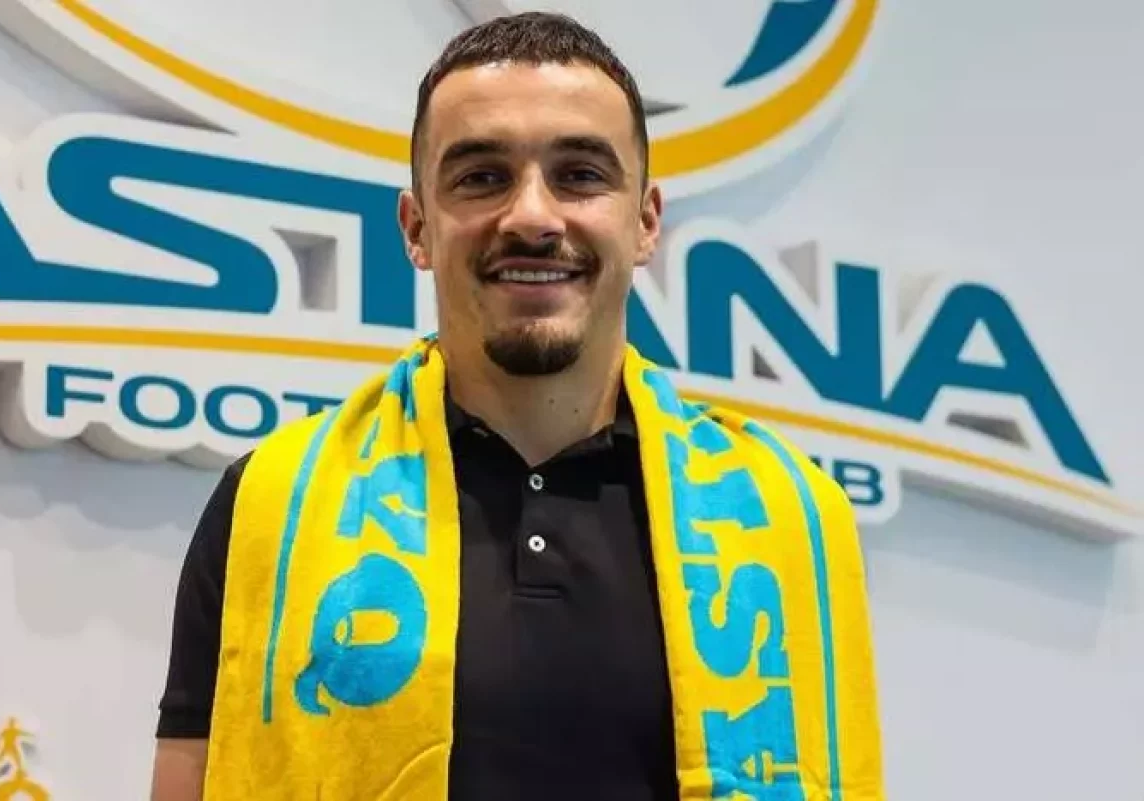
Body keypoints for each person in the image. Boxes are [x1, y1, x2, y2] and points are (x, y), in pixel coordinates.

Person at [150, 11, 884, 801]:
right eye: (482, 177)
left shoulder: (786, 516)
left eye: (580, 174)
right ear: (417, 228)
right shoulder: (271, 503)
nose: (532, 216)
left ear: (645, 222)